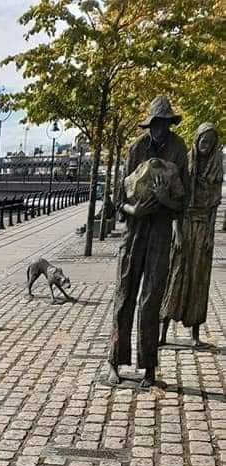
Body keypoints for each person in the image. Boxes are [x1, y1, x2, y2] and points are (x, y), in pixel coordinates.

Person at [108, 96, 188, 389]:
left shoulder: (179, 149)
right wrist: (134, 210)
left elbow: (183, 202)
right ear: (150, 124)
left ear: (170, 123)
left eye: (164, 123)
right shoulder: (135, 148)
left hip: (161, 231)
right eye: (155, 124)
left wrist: (166, 200)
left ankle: (149, 367)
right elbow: (119, 201)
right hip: (135, 230)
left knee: (151, 298)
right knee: (125, 295)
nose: (159, 129)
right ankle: (114, 361)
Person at [160, 123, 223, 347]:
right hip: (184, 224)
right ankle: (163, 331)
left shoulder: (217, 166)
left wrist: (210, 235)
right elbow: (177, 202)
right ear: (196, 140)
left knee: (199, 279)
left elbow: (215, 205)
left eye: (210, 141)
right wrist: (177, 231)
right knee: (175, 274)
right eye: (202, 140)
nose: (205, 145)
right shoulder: (186, 163)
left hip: (203, 226)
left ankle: (195, 334)